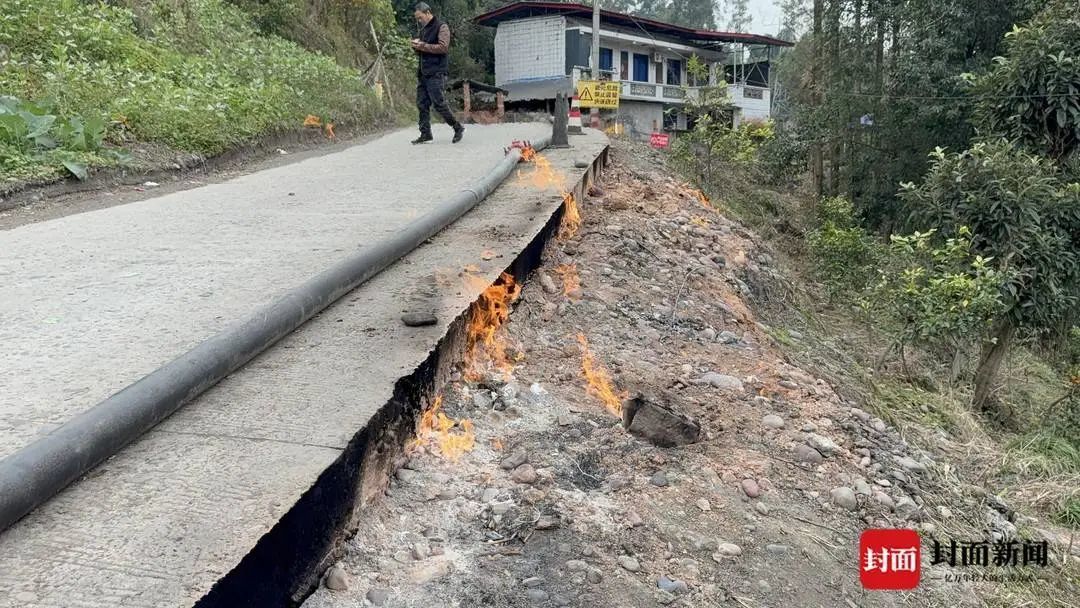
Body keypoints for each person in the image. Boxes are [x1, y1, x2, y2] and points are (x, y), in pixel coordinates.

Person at [410, 3, 464, 145]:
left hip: (436, 72)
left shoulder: (442, 27)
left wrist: (421, 45)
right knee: (421, 104)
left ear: (428, 13)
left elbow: (443, 47)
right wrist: (416, 47)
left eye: (420, 17)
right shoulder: (423, 30)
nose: (419, 21)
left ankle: (457, 127)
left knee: (439, 103)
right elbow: (423, 51)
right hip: (423, 73)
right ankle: (425, 134)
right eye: (417, 19)